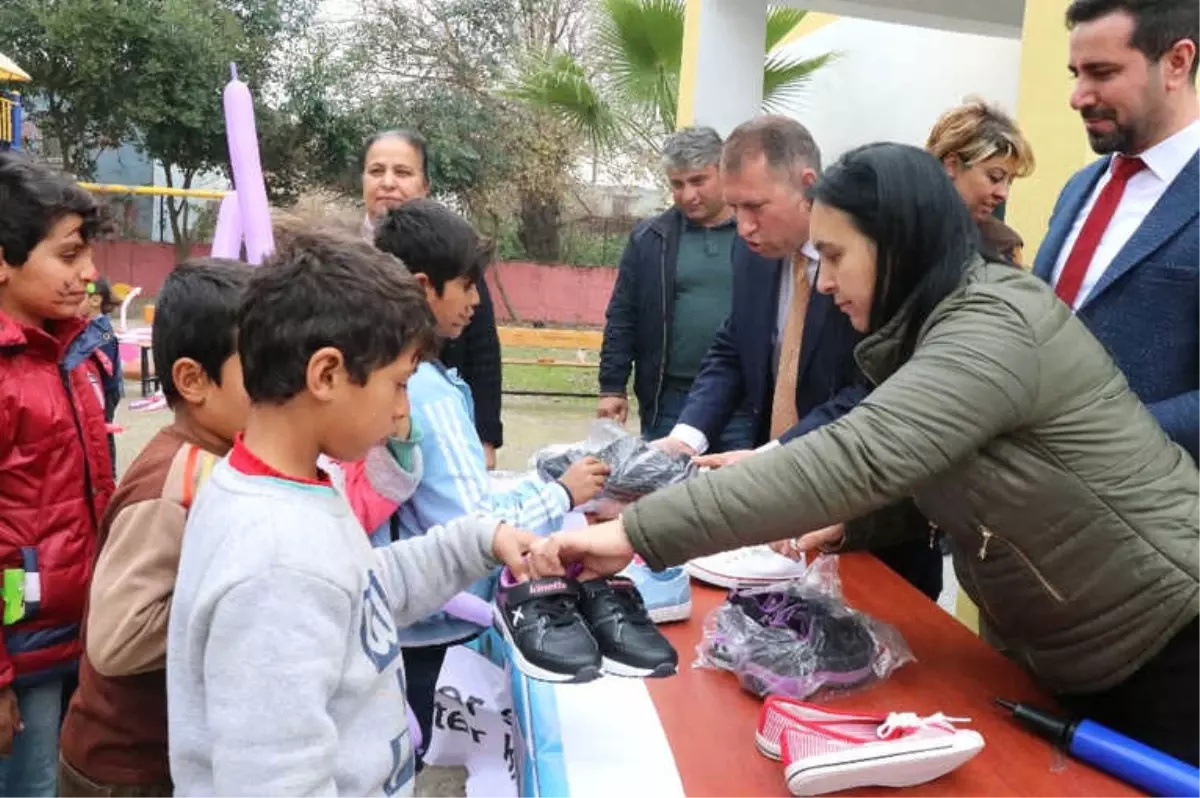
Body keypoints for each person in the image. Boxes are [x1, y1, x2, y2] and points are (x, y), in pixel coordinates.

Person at [533, 142, 1200, 766]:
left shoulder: (995, 326)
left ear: (898, 247)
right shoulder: (931, 328)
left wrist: (637, 532)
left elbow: (857, 457)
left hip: (1165, 639)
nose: (821, 283)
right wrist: (857, 524)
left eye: (835, 255)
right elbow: (946, 479)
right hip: (1068, 650)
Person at [166, 228, 541, 796]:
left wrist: (478, 540)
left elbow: (361, 592)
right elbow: (275, 783)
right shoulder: (275, 562)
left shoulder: (295, 489)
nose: (401, 412)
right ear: (326, 375)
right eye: (398, 384)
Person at [656, 116, 941, 600]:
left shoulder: (875, 258)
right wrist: (685, 438)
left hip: (868, 531)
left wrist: (774, 459)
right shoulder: (752, 252)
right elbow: (735, 344)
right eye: (735, 207)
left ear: (807, 185)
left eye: (756, 207)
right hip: (780, 533)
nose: (742, 226)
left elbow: (876, 386)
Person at [371, 199, 608, 761]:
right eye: (468, 285)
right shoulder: (422, 391)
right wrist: (560, 494)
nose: (477, 301)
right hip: (433, 634)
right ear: (424, 287)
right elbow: (468, 525)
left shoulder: (422, 381)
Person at [57, 259, 252, 797]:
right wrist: (245, 606)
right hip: (124, 771)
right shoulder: (174, 484)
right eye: (262, 366)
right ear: (193, 380)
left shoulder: (225, 461)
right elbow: (117, 641)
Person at [1033, 0, 1200, 463]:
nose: (1078, 96)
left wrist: (1096, 435)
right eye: (1076, 74)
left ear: (1177, 62)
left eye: (1102, 73)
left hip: (1154, 519)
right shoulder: (1079, 189)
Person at [0, 151, 115, 797]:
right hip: (22, 649)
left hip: (80, 631)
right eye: (68, 256)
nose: (89, 273)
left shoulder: (73, 352)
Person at [598, 126, 754, 449]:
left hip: (745, 402)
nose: (688, 195)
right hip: (669, 401)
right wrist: (612, 386)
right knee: (666, 494)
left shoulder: (756, 234)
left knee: (738, 495)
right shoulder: (650, 238)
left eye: (698, 181)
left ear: (724, 171)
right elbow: (623, 315)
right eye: (677, 184)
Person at [361, 130, 505, 469]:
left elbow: (483, 352)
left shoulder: (454, 251)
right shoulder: (340, 254)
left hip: (438, 428)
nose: (388, 183)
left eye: (403, 172)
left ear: (425, 186)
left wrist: (485, 439)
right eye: (377, 171)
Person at [925, 99, 1035, 264]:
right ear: (952, 165)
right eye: (995, 177)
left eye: (1009, 182)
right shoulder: (894, 229)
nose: (1003, 194)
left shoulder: (1005, 247)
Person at [63, 276, 124, 471]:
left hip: (105, 391)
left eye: (78, 297)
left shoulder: (101, 333)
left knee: (103, 429)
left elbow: (80, 361)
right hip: (97, 389)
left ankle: (109, 472)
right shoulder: (87, 326)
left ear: (95, 300)